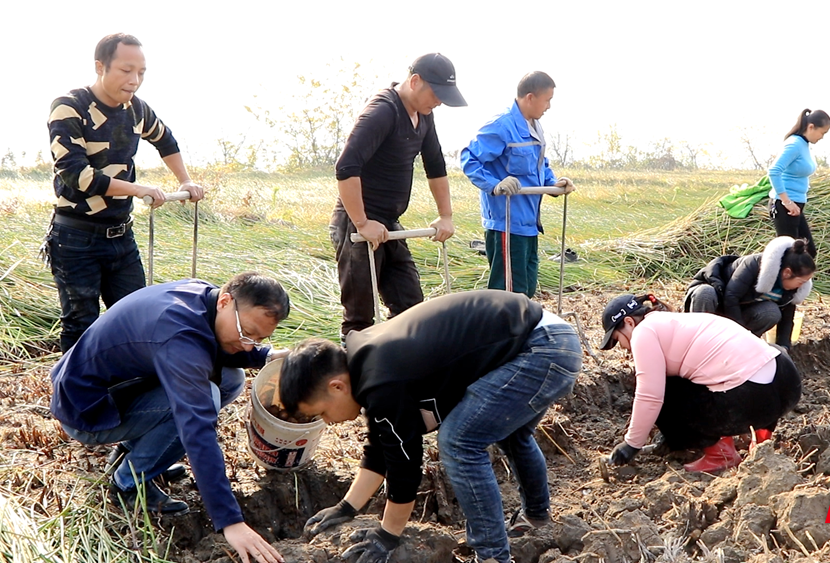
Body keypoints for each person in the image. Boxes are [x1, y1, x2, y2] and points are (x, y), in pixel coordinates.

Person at [279, 290, 582, 563]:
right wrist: (347, 507)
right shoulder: (369, 359)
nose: (328, 422)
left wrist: (387, 535)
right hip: (550, 337)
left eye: (321, 413)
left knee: (459, 443)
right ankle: (535, 517)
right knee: (510, 433)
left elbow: (405, 465)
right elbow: (383, 446)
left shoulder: (381, 381)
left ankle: (491, 556)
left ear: (336, 387)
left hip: (539, 350)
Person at [49, 272, 290, 563]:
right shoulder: (177, 334)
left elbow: (212, 346)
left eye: (259, 338)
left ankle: (134, 453)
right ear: (226, 301)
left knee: (230, 378)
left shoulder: (204, 299)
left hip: (118, 385)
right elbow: (197, 429)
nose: (250, 344)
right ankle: (129, 483)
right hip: (88, 408)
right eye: (246, 333)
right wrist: (230, 521)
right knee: (206, 400)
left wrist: (267, 356)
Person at [45, 33, 205, 353]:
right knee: (81, 323)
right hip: (75, 238)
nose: (134, 80)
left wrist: (185, 181)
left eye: (141, 72)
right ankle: (75, 399)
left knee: (136, 317)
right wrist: (138, 189)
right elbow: (78, 175)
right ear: (100, 66)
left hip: (121, 237)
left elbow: (166, 140)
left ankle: (129, 396)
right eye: (125, 70)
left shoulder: (136, 109)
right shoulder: (69, 107)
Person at [331, 53, 465, 336]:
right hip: (357, 222)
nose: (439, 102)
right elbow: (346, 167)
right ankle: (357, 372)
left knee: (411, 305)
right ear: (415, 81)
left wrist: (445, 216)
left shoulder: (424, 116)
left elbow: (436, 166)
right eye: (436, 94)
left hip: (389, 222)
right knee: (360, 317)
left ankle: (403, 368)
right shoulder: (383, 111)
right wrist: (363, 222)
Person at [600, 294, 801, 474]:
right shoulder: (676, 320)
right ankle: (760, 438)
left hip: (753, 399)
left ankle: (721, 454)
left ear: (628, 322)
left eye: (619, 340)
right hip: (787, 385)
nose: (624, 348)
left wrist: (631, 445)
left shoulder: (644, 332)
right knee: (740, 366)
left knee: (666, 393)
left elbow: (650, 396)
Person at [461, 71, 575, 297]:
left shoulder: (534, 126)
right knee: (508, 295)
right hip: (507, 223)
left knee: (526, 290)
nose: (549, 106)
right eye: (547, 100)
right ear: (530, 98)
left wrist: (554, 183)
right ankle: (499, 332)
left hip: (529, 224)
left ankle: (520, 331)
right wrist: (495, 185)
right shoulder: (502, 125)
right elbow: (468, 158)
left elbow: (539, 165)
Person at [683, 237, 814, 349]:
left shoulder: (791, 288)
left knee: (771, 312)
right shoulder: (753, 265)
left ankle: (741, 347)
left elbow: (787, 319)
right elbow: (731, 297)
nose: (802, 286)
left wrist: (784, 347)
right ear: (787, 273)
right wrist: (737, 333)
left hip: (740, 311)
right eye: (801, 281)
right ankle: (698, 343)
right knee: (706, 293)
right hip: (718, 303)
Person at [767, 109, 830, 259]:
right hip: (785, 206)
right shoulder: (794, 144)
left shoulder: (803, 145)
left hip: (797, 205)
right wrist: (787, 202)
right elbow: (773, 171)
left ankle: (800, 282)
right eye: (822, 132)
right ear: (811, 127)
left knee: (808, 252)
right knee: (791, 256)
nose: (822, 137)